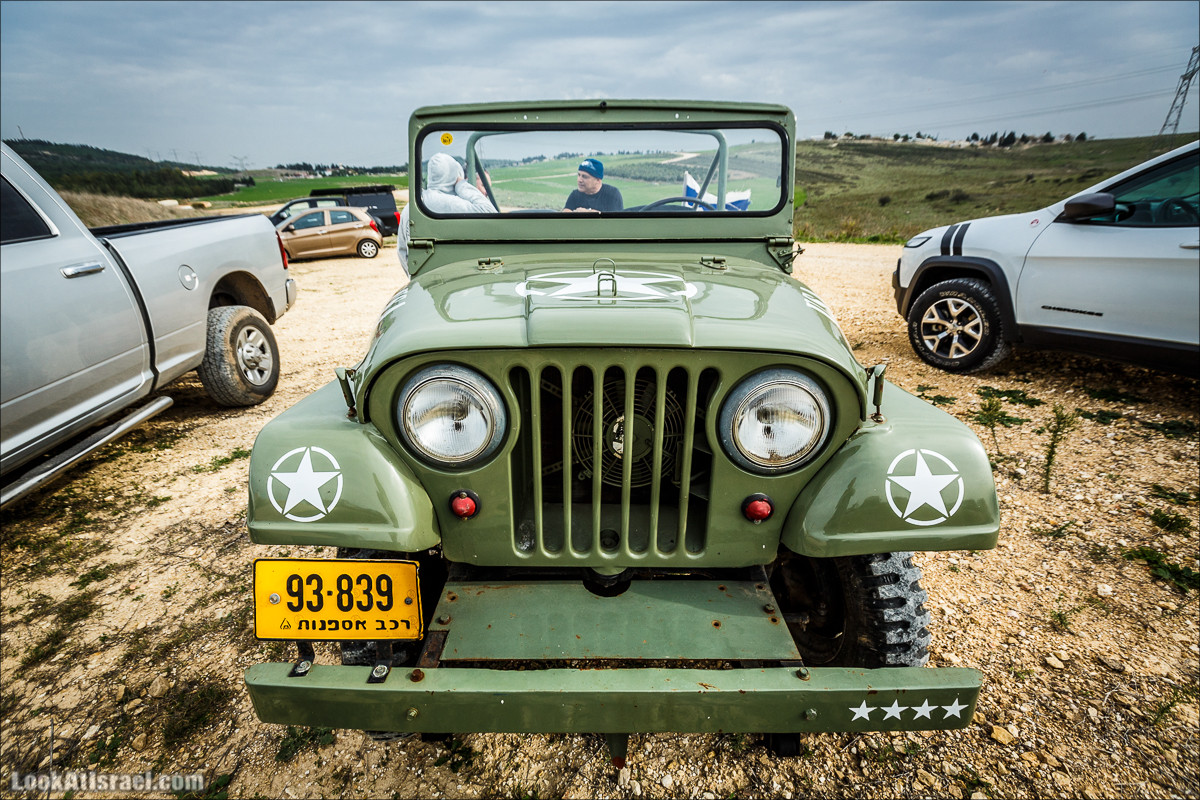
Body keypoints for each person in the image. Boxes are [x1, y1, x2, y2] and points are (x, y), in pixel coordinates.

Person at [398, 152, 495, 272]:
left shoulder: (411, 206)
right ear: (455, 176)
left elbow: (402, 251)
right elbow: (490, 213)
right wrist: (462, 185)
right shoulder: (453, 204)